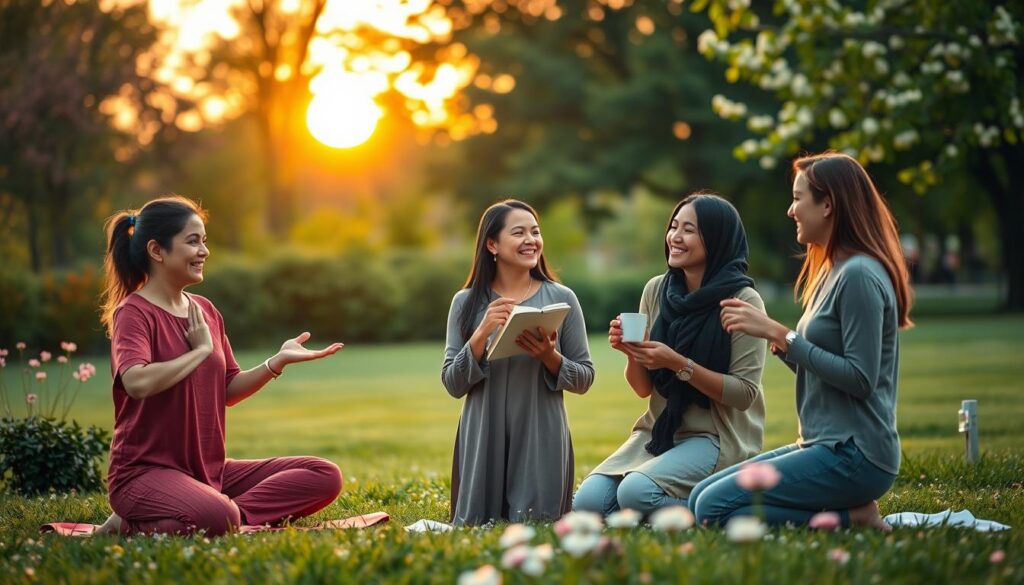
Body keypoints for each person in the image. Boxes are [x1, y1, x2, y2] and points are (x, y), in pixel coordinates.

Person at [94, 195, 344, 536]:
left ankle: (219, 514)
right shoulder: (134, 313)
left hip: (207, 471)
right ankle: (205, 515)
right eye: (193, 241)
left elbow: (228, 389)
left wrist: (277, 361)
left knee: (324, 474)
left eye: (204, 241)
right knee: (217, 516)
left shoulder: (205, 310)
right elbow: (136, 382)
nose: (204, 251)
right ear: (157, 251)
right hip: (143, 474)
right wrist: (198, 352)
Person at [690, 152, 913, 531]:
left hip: (856, 453)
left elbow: (861, 379)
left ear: (828, 205)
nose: (791, 210)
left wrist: (780, 333)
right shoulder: (832, 272)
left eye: (798, 198)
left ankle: (853, 516)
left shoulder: (859, 275)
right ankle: (849, 513)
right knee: (700, 498)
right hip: (822, 443)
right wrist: (777, 342)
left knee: (713, 508)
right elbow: (823, 368)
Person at [572, 193, 767, 518]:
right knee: (588, 503)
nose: (675, 237)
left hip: (716, 435)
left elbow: (743, 394)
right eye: (674, 226)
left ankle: (731, 512)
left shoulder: (743, 300)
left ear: (716, 238)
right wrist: (632, 354)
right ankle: (673, 506)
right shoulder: (656, 290)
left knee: (636, 492)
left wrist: (677, 363)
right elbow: (643, 389)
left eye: (688, 230)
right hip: (660, 429)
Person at [442, 199, 595, 525]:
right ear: (492, 244)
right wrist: (481, 333)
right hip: (483, 433)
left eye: (535, 232)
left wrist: (550, 357)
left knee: (535, 525)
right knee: (477, 526)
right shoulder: (465, 302)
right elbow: (452, 384)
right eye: (519, 232)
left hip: (541, 432)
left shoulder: (562, 298)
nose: (531, 240)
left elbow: (584, 378)